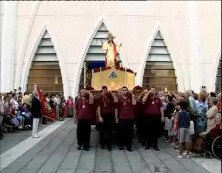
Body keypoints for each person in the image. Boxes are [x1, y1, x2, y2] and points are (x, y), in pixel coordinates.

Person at [97, 86, 118, 151]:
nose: (104, 91)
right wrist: (99, 116)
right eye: (102, 90)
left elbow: (116, 101)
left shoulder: (110, 97)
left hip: (110, 115)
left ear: (107, 90)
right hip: (103, 115)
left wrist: (111, 93)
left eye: (105, 90)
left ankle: (109, 145)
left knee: (109, 131)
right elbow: (98, 107)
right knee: (102, 131)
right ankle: (102, 143)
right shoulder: (100, 98)